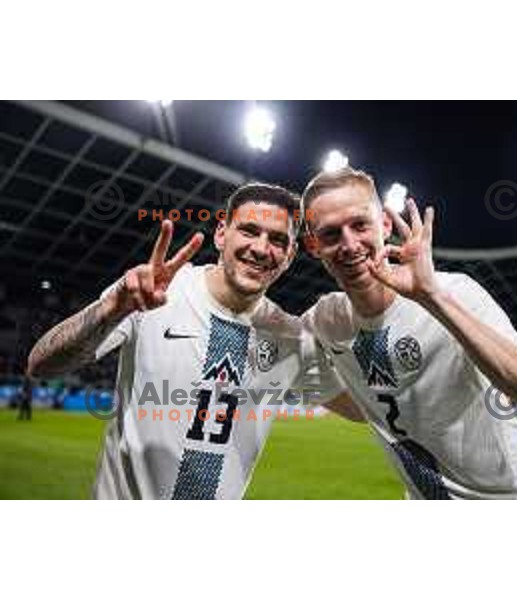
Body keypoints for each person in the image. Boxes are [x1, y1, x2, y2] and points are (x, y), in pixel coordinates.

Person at [27, 183, 355, 500]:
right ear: (221, 233)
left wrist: (387, 308)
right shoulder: (156, 292)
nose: (260, 248)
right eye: (250, 231)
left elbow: (366, 408)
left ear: (290, 254)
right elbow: (41, 364)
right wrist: (111, 309)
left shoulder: (291, 338)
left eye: (278, 239)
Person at [300, 167, 517, 499]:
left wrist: (432, 297)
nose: (350, 244)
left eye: (359, 225)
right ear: (313, 245)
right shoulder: (326, 321)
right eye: (330, 234)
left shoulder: (455, 292)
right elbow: (359, 405)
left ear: (384, 224)